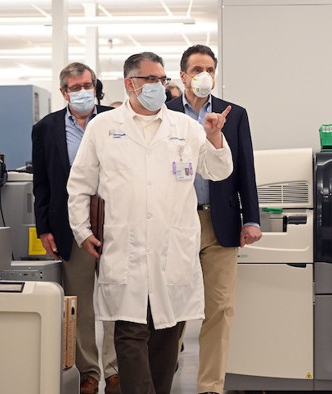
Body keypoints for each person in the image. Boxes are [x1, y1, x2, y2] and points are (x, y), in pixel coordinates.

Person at [67, 52, 234, 394]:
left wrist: (216, 138)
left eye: (161, 79)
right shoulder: (104, 127)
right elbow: (79, 184)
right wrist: (82, 231)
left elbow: (218, 171)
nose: (159, 86)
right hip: (125, 251)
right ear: (130, 84)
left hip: (173, 251)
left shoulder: (185, 128)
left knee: (166, 339)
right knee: (129, 336)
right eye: (150, 80)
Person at [166, 44, 262, 394]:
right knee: (170, 306)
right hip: (174, 223)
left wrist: (251, 219)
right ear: (183, 75)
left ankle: (210, 386)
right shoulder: (165, 113)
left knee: (220, 309)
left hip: (219, 222)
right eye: (196, 69)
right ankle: (164, 374)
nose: (203, 75)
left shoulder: (233, 114)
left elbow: (246, 171)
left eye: (209, 68)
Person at [31, 62, 120, 394]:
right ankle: (89, 371)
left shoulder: (114, 122)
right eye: (76, 87)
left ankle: (114, 370)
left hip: (114, 222)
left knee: (115, 297)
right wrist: (44, 229)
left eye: (89, 85)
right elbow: (42, 183)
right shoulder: (46, 129)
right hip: (70, 226)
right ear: (64, 92)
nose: (84, 92)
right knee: (80, 303)